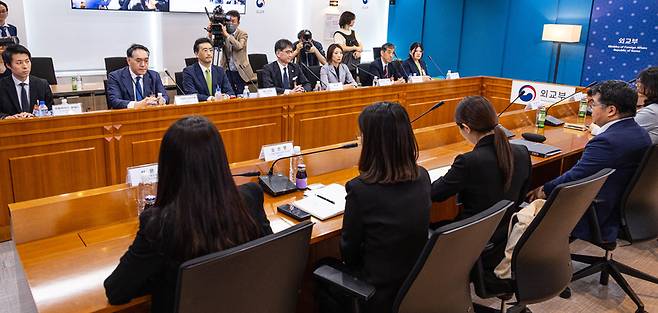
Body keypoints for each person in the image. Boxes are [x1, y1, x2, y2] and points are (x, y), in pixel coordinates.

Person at [104, 115, 273, 313]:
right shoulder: (250, 198)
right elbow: (269, 257)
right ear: (219, 160)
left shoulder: (159, 224)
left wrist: (160, 276)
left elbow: (116, 290)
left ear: (168, 167)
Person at [318, 102, 431, 313]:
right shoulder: (423, 176)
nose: (358, 139)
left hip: (375, 294)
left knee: (321, 265)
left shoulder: (360, 190)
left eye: (361, 135)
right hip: (414, 284)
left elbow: (348, 253)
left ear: (372, 142)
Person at [528, 80, 651, 242]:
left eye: (594, 105)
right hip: (622, 206)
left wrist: (544, 189)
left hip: (596, 210)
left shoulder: (607, 142)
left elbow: (576, 176)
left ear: (611, 110)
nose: (590, 109)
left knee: (529, 200)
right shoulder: (640, 133)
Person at [431, 96, 531, 268]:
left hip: (470, 237)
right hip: (502, 234)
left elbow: (436, 194)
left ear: (466, 128)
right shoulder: (522, 152)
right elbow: (521, 196)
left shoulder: (468, 162)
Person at [106, 44, 169, 109]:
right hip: (127, 116)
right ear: (128, 61)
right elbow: (114, 101)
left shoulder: (154, 75)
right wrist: (138, 104)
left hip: (150, 115)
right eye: (138, 61)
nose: (143, 64)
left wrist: (161, 101)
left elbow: (165, 96)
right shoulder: (115, 77)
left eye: (146, 61)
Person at [0, 45, 53, 119]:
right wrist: (7, 117)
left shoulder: (42, 84)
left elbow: (51, 110)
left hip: (37, 126)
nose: (25, 66)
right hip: (10, 127)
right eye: (19, 63)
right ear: (8, 65)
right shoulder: (2, 86)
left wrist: (35, 116)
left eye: (27, 61)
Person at [182, 38, 234, 102]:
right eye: (205, 50)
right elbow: (191, 94)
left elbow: (230, 91)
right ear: (196, 54)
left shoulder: (220, 71)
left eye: (211, 50)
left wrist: (226, 96)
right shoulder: (189, 72)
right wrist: (211, 98)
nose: (209, 53)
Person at [220, 10, 256, 96]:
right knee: (229, 94)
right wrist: (210, 33)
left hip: (240, 70)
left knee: (241, 95)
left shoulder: (243, 34)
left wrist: (227, 36)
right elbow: (212, 46)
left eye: (233, 21)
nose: (230, 23)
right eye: (228, 21)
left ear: (238, 23)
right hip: (227, 69)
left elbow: (239, 46)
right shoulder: (222, 33)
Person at [634, 66, 658, 144]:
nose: (637, 84)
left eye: (641, 81)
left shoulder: (651, 112)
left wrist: (594, 128)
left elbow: (618, 132)